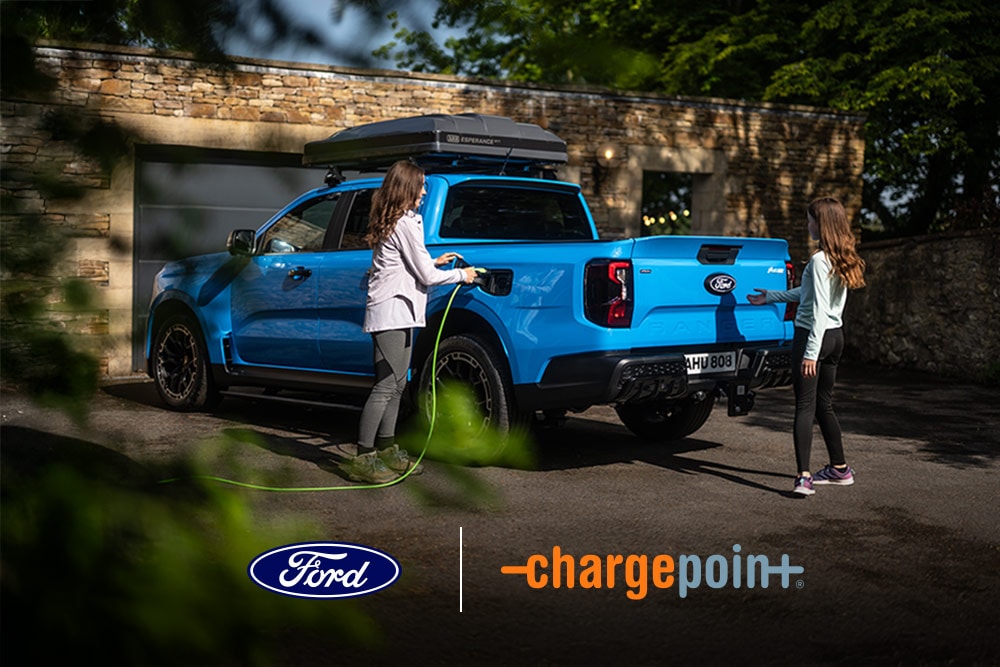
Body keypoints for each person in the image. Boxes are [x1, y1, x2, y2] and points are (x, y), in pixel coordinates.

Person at [340, 160, 477, 484]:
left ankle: (387, 449)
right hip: (389, 310)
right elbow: (426, 276)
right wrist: (462, 275)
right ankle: (364, 456)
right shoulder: (403, 222)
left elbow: (410, 263)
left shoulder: (404, 220)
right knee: (386, 384)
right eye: (421, 185)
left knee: (399, 383)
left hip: (402, 310)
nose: (425, 191)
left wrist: (432, 259)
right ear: (407, 188)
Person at [747, 196, 866, 497]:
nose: (808, 224)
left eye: (811, 219)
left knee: (804, 406)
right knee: (823, 404)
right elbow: (811, 294)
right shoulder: (840, 256)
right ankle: (840, 469)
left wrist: (811, 352)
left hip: (813, 336)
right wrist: (772, 296)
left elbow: (818, 310)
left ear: (822, 223)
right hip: (836, 337)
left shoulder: (817, 259)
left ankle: (803, 477)